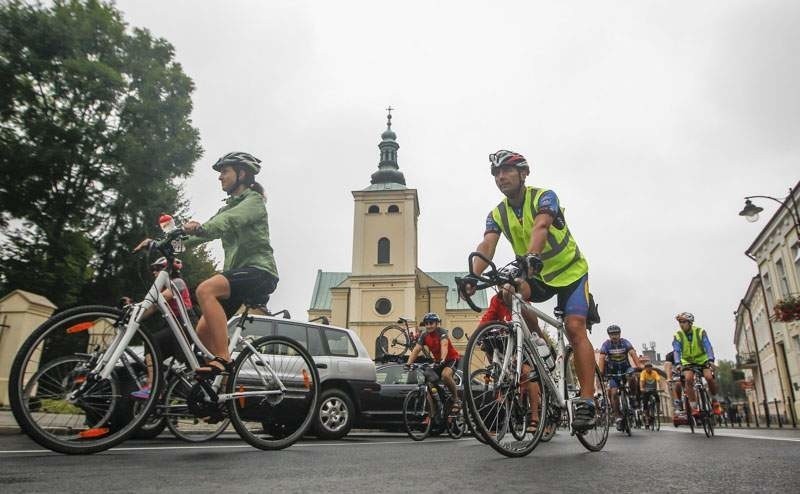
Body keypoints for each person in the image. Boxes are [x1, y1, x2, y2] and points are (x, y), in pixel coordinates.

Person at [461, 150, 598, 431]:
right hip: (536, 274)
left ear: (523, 173)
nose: (501, 177)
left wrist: (533, 254)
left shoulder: (544, 196)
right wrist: (472, 276)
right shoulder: (498, 213)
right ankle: (539, 345)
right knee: (509, 291)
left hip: (570, 272)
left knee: (574, 327)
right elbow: (487, 244)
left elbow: (542, 225)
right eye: (496, 173)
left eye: (507, 171)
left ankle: (587, 400)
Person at [134, 151, 278, 377]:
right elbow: (199, 236)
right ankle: (213, 396)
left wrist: (202, 227)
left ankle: (224, 358)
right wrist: (160, 243)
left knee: (205, 289)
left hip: (259, 271)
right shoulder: (226, 207)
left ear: (242, 174)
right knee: (201, 334)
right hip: (237, 276)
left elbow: (227, 221)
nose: (220, 177)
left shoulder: (254, 202)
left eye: (224, 172)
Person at [132, 257, 193, 399]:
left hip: (184, 324)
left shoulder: (177, 283)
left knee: (151, 342)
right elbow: (151, 308)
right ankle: (162, 396)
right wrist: (133, 318)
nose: (154, 273)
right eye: (153, 270)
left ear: (168, 270)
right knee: (157, 358)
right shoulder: (165, 287)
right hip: (174, 326)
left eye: (158, 269)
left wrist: (137, 307)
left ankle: (154, 387)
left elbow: (159, 299)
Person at [405, 312, 461, 414]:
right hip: (438, 362)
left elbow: (444, 345)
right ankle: (433, 412)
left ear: (437, 324)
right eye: (426, 323)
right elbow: (417, 349)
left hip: (451, 359)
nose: (429, 326)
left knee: (445, 375)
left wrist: (443, 359)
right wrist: (408, 364)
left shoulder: (441, 332)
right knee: (428, 382)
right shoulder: (424, 335)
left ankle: (456, 399)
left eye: (431, 323)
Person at [672, 312, 717, 416]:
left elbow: (708, 346)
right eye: (680, 322)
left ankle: (715, 401)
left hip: (702, 360)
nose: (681, 325)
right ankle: (694, 407)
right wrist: (678, 363)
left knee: (709, 377)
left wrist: (711, 359)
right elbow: (676, 350)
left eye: (683, 322)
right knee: (688, 379)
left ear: (690, 323)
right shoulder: (678, 335)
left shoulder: (700, 331)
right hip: (688, 362)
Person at [598, 324, 642, 430]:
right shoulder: (606, 345)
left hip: (625, 368)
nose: (614, 336)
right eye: (612, 334)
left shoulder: (625, 342)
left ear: (620, 334)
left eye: (616, 334)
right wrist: (601, 372)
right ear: (609, 335)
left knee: (632, 377)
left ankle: (632, 396)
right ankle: (617, 416)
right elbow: (602, 358)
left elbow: (632, 353)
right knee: (613, 393)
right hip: (613, 372)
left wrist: (639, 366)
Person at [639, 362, 661, 427]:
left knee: (657, 397)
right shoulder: (643, 373)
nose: (649, 368)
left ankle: (658, 410)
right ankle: (646, 419)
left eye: (650, 367)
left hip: (653, 389)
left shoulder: (654, 372)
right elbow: (642, 381)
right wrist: (642, 388)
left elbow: (658, 379)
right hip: (646, 390)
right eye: (647, 367)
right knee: (645, 403)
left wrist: (661, 387)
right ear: (645, 368)